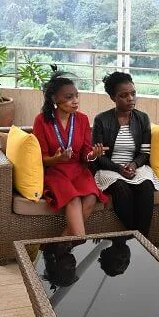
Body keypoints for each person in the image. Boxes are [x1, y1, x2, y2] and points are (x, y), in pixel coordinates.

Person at [33, 71, 108, 236]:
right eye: (69, 97)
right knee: (73, 199)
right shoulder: (41, 121)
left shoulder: (82, 119)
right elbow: (42, 159)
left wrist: (93, 154)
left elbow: (85, 153)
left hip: (78, 169)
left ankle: (61, 243)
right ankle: (80, 241)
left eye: (76, 96)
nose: (75, 101)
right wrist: (58, 158)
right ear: (54, 99)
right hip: (55, 171)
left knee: (90, 197)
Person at [92, 72, 159, 237]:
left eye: (133, 93)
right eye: (123, 95)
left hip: (136, 166)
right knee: (121, 189)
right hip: (110, 169)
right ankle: (138, 238)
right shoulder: (101, 120)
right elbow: (100, 156)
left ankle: (141, 239)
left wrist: (133, 165)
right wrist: (119, 169)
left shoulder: (142, 118)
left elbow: (145, 152)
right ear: (113, 98)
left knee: (146, 187)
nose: (130, 98)